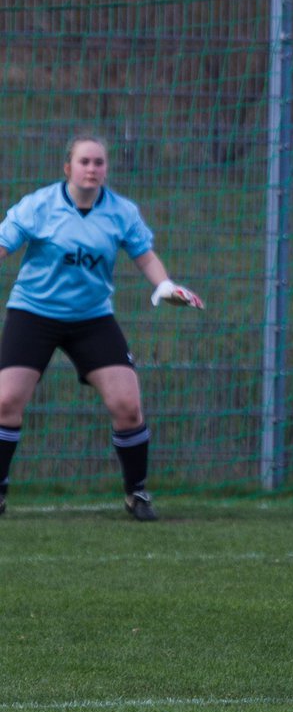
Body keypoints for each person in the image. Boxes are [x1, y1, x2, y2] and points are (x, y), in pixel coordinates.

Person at [0, 134, 204, 522]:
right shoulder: (39, 206)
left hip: (91, 319)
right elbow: (3, 244)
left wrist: (164, 284)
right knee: (6, 401)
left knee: (127, 406)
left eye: (99, 162)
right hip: (33, 314)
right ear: (68, 168)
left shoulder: (121, 211)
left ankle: (136, 493)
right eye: (84, 162)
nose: (92, 169)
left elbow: (144, 257)